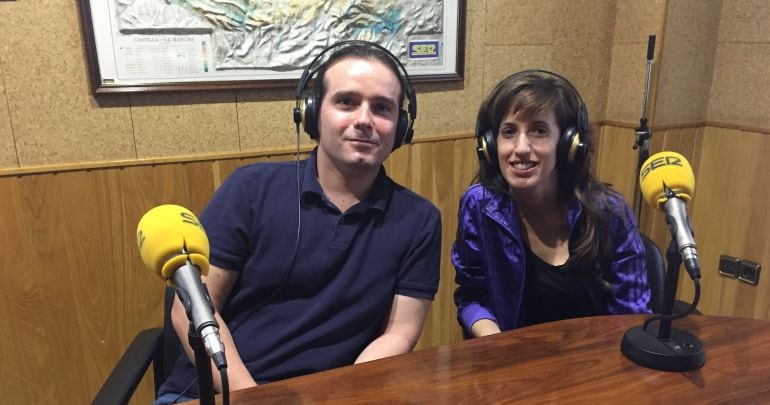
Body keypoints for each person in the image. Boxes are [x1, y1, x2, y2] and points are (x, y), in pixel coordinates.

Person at [156, 41, 441, 404]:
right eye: (346, 102)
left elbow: (400, 333)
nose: (364, 120)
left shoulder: (420, 219)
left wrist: (347, 393)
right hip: (219, 392)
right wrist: (253, 397)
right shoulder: (251, 189)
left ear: (400, 127)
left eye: (382, 108)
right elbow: (191, 308)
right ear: (311, 114)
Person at [452, 70, 650, 338]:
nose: (521, 147)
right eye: (509, 131)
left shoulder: (610, 213)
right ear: (489, 144)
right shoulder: (479, 205)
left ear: (569, 143)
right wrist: (498, 344)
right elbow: (471, 296)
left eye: (538, 131)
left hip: (594, 365)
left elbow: (631, 317)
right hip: (509, 365)